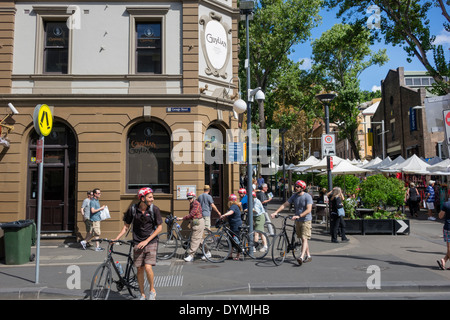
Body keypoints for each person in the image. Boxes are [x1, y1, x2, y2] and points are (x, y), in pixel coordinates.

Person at [113, 187, 162, 300]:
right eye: (150, 197)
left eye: (152, 196)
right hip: (137, 242)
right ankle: (142, 294)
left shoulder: (154, 209)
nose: (152, 199)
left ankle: (152, 290)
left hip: (151, 242)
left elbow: (159, 228)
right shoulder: (133, 209)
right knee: (139, 269)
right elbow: (126, 226)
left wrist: (146, 241)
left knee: (148, 267)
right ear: (142, 198)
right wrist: (116, 238)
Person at [271, 180, 313, 266]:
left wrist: (299, 215)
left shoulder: (307, 196)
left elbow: (309, 209)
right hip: (297, 220)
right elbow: (285, 204)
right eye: (295, 186)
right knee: (302, 238)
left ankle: (301, 257)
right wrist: (276, 212)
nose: (295, 188)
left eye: (297, 186)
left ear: (302, 188)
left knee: (304, 238)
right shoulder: (294, 196)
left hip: (306, 220)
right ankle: (308, 255)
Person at [177, 192, 205, 262]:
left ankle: (191, 255)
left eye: (190, 198)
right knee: (199, 240)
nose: (189, 199)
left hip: (198, 223)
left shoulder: (196, 204)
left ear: (194, 198)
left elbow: (192, 214)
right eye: (188, 198)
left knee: (194, 240)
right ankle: (207, 253)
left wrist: (181, 218)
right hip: (195, 222)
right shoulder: (192, 203)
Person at [220, 194, 243, 260]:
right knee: (230, 240)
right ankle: (230, 255)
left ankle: (238, 255)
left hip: (236, 225)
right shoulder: (236, 206)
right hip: (233, 224)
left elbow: (231, 212)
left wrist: (224, 215)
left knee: (236, 240)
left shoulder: (233, 206)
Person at [437, 200, 450, 270]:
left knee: (449, 247)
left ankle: (444, 260)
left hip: (448, 227)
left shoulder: (446, 204)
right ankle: (444, 260)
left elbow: (440, 216)